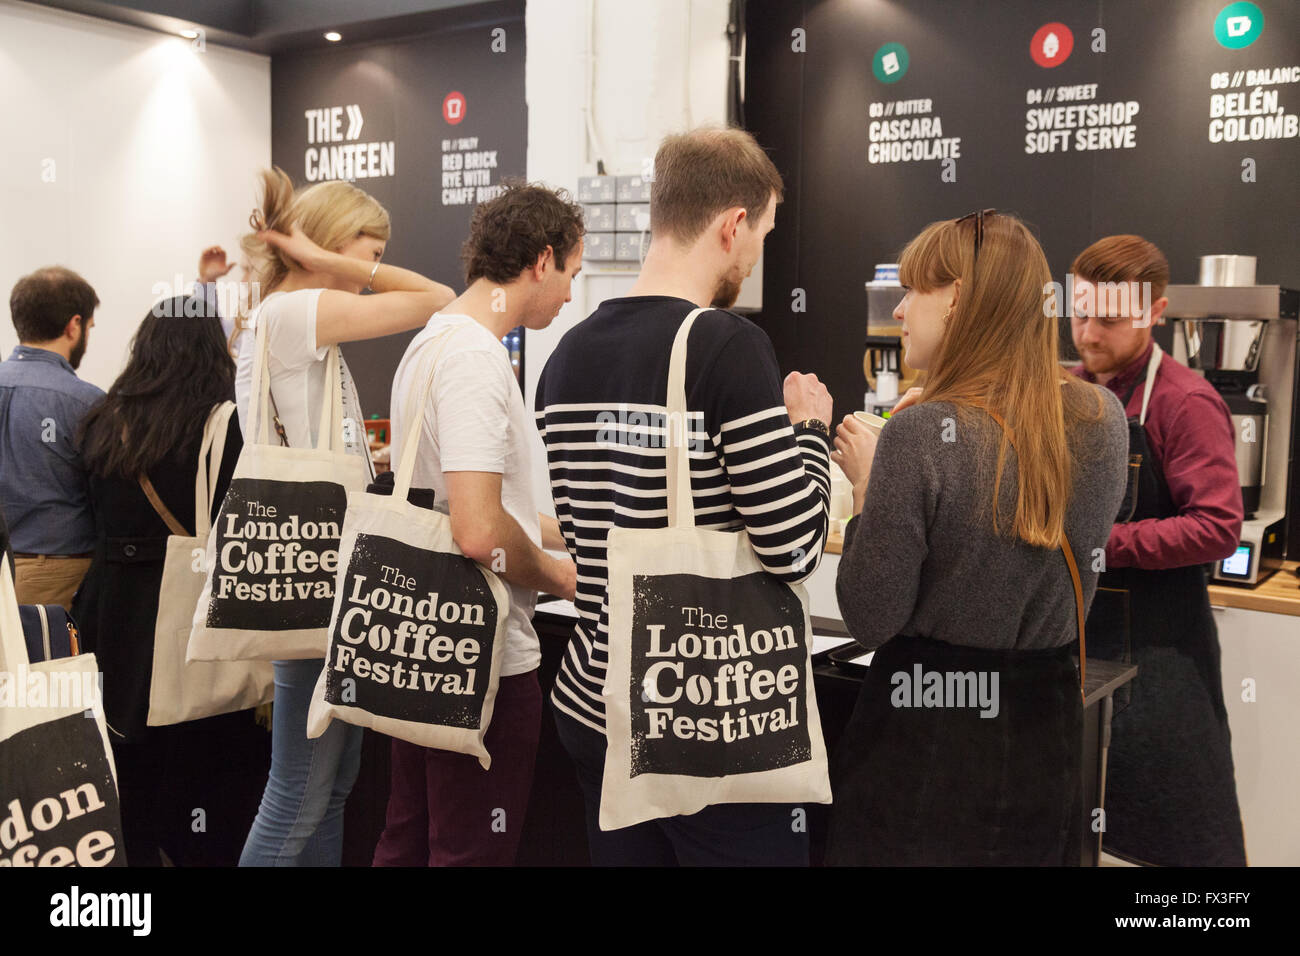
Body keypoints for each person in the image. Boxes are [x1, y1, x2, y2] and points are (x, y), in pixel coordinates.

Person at [534, 127, 834, 866]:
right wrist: (810, 436)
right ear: (733, 225)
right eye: (761, 232)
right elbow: (793, 543)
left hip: (593, 701)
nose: (757, 252)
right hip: (699, 718)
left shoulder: (565, 356)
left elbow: (590, 525)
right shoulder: (727, 346)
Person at [827, 210, 1129, 865]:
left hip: (927, 744)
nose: (902, 310)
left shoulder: (918, 436)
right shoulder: (1103, 419)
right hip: (1045, 734)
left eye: (916, 291)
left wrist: (867, 490)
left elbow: (871, 616)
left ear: (958, 297)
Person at [233, 167, 456, 866]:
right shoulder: (294, 313)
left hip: (326, 574)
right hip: (317, 581)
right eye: (371, 250)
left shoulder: (286, 320)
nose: (373, 268)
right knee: (298, 793)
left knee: (331, 788)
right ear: (328, 242)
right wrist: (328, 263)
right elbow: (438, 298)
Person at [373, 183, 581, 867]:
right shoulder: (475, 358)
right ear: (541, 259)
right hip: (480, 660)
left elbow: (464, 501)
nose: (571, 296)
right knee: (469, 852)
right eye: (572, 276)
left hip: (425, 646)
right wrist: (557, 575)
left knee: (409, 836)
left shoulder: (436, 343)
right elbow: (479, 531)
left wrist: (565, 530)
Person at [1068, 235, 1246, 867]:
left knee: (1181, 831)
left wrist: (1100, 544)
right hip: (1079, 642)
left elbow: (1219, 525)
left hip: (1162, 648)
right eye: (1079, 312)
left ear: (1156, 311)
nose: (1088, 333)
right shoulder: (1065, 390)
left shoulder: (1185, 403)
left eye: (1109, 320)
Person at [72, 296, 264, 865]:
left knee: (126, 756)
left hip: (109, 610)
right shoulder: (226, 422)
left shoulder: (104, 418)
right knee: (208, 760)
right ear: (213, 347)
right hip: (187, 607)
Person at [0, 267, 104, 608]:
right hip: (57, 576)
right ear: (73, 326)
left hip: (11, 565)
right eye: (89, 327)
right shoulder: (87, 403)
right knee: (53, 662)